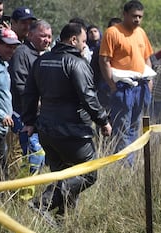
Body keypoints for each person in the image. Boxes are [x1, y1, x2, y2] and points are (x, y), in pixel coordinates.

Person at [22, 22, 111, 220]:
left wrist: (29, 121)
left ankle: (65, 222)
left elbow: (29, 93)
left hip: (46, 131)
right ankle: (41, 204)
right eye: (83, 41)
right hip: (73, 133)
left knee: (64, 176)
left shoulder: (42, 61)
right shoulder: (77, 63)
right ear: (73, 40)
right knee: (88, 174)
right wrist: (103, 121)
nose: (84, 45)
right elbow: (88, 97)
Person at [98, 1, 153, 154]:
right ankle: (123, 165)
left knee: (135, 126)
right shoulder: (113, 32)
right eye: (134, 16)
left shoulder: (141, 32)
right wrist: (112, 84)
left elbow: (147, 58)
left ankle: (131, 163)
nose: (137, 20)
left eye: (140, 17)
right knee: (122, 127)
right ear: (125, 15)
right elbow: (104, 60)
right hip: (123, 87)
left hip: (141, 86)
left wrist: (150, 81)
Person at [9, 19, 51, 190]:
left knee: (38, 157)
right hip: (21, 113)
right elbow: (20, 85)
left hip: (39, 116)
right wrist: (38, 102)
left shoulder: (45, 55)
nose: (46, 40)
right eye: (42, 36)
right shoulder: (22, 53)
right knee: (34, 154)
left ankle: (28, 193)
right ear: (31, 35)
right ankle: (22, 194)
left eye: (49, 36)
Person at [0, 27, 19, 182]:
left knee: (2, 168)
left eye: (13, 46)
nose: (11, 50)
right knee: (0, 170)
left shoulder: (3, 64)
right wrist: (0, 114)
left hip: (2, 128)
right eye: (7, 46)